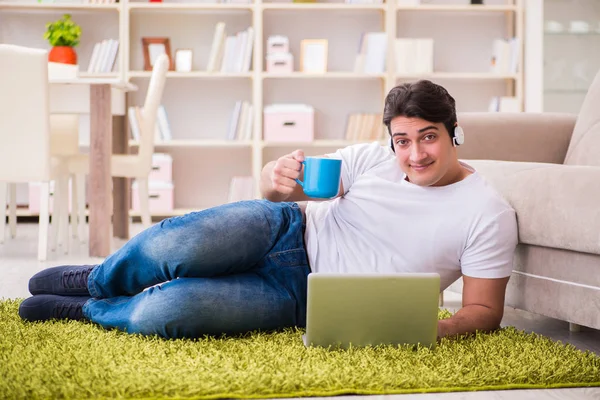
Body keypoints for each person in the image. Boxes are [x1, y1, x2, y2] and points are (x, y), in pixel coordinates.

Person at [19, 80, 518, 340]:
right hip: (282, 230)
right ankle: (99, 280)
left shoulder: (486, 212)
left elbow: (483, 311)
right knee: (176, 244)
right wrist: (274, 179)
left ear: (454, 132)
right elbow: (278, 193)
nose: (414, 155)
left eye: (428, 138)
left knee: (166, 311)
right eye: (402, 141)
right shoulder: (372, 158)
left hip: (303, 299)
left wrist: (438, 328)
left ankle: (89, 311)